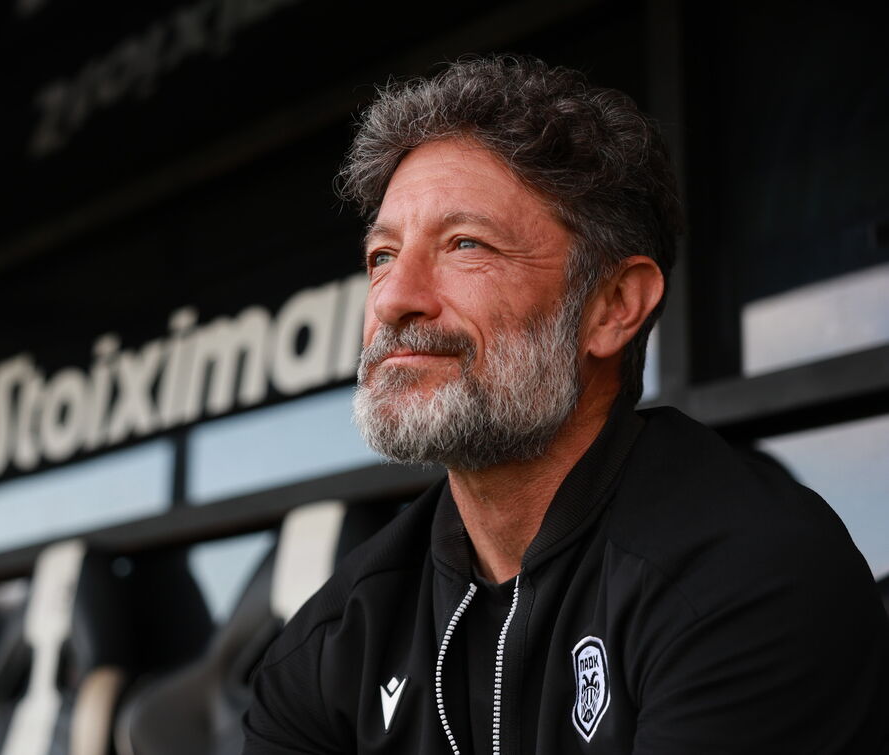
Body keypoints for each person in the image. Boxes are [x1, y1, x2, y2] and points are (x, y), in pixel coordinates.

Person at [242, 55, 889, 754]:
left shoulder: (747, 575)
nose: (395, 298)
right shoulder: (336, 637)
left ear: (613, 306)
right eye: (382, 256)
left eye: (465, 244)